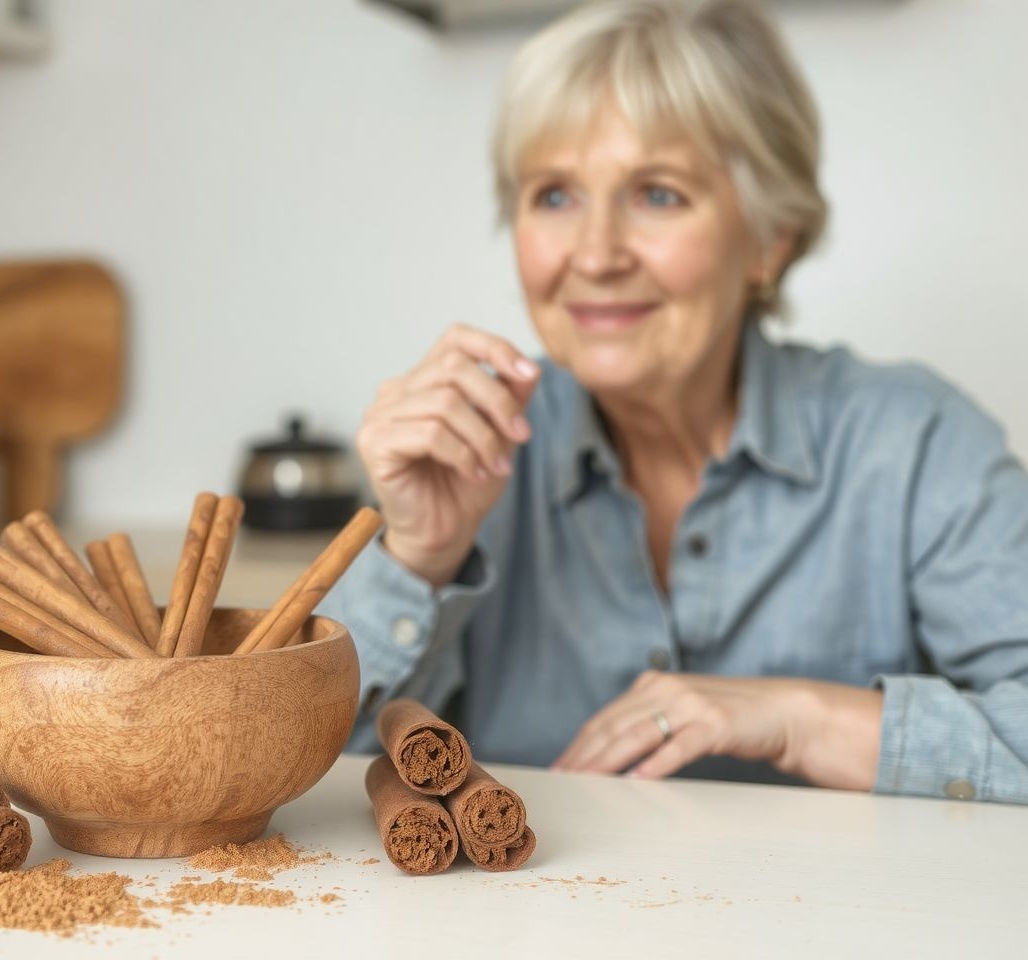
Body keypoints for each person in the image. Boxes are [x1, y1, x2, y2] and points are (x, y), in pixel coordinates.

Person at [316, 0, 1028, 803]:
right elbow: (302, 781)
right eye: (553, 195)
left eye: (657, 194)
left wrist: (799, 717)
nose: (595, 253)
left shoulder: (915, 442)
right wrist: (418, 556)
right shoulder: (464, 455)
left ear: (770, 238)